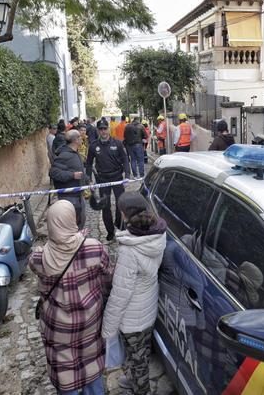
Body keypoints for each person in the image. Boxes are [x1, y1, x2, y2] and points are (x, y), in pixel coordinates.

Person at [30, 201, 111, 395]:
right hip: (91, 324)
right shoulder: (94, 248)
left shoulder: (39, 259)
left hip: (58, 330)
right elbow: (108, 279)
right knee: (93, 373)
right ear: (72, 220)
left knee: (66, 379)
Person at [101, 192, 167, 395]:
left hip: (132, 317)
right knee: (142, 352)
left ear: (124, 214)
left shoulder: (130, 251)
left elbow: (120, 295)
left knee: (137, 359)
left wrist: (108, 329)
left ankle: (142, 389)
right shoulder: (158, 233)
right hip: (148, 305)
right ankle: (133, 381)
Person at [86, 118, 131, 240]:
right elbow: (89, 164)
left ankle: (119, 224)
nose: (103, 131)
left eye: (105, 128)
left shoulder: (117, 143)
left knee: (120, 204)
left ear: (108, 129)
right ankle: (110, 231)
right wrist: (89, 180)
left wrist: (127, 176)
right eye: (100, 129)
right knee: (105, 207)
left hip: (117, 177)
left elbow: (125, 160)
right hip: (102, 180)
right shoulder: (94, 146)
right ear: (98, 130)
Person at [50, 129, 87, 228]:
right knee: (73, 226)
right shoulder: (65, 155)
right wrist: (72, 175)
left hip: (78, 195)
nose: (82, 139)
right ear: (75, 140)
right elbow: (53, 173)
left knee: (81, 222)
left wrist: (86, 180)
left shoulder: (74, 152)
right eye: (80, 137)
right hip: (69, 198)